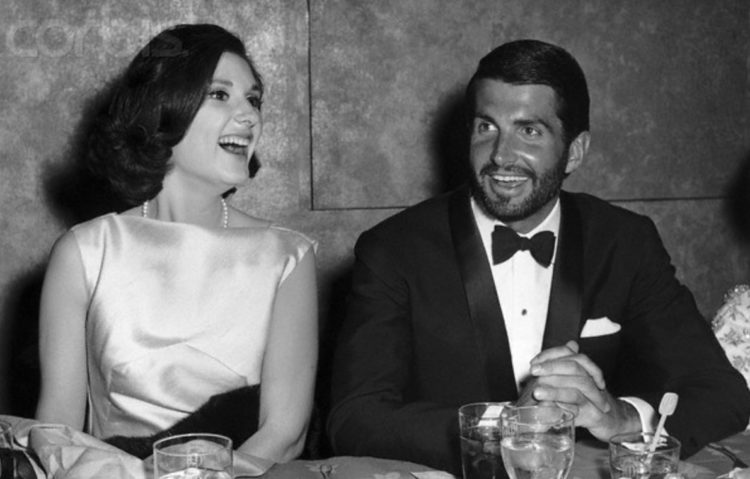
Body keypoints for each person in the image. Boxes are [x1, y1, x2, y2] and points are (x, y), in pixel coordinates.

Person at [326, 39, 750, 474]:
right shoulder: (395, 248)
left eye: (528, 131)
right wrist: (507, 425)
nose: (500, 155)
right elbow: (353, 417)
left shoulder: (625, 242)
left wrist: (621, 418)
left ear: (575, 151)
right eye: (486, 127)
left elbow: (723, 392)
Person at [35, 24, 318, 465]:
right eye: (220, 94)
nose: (249, 116)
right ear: (164, 108)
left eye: (254, 99)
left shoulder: (286, 257)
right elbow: (56, 428)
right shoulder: (85, 252)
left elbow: (284, 434)